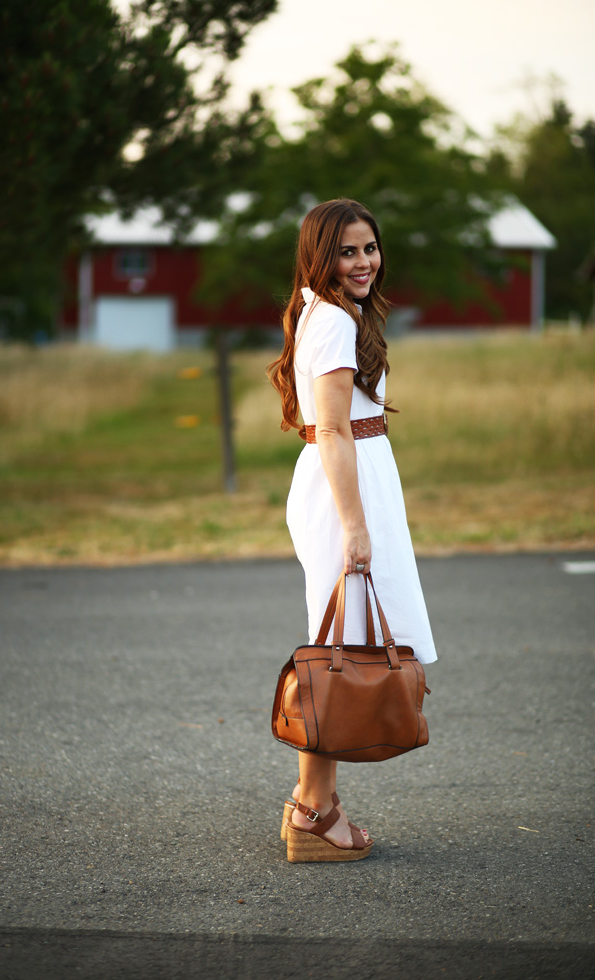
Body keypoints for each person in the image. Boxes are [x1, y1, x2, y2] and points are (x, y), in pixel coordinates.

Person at [268, 199, 438, 863]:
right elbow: (335, 430)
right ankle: (313, 811)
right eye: (347, 251)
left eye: (369, 248)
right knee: (341, 649)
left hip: (354, 482)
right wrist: (355, 526)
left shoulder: (333, 313)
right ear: (321, 256)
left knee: (346, 642)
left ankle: (316, 804)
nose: (362, 262)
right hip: (346, 491)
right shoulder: (334, 320)